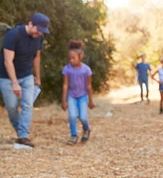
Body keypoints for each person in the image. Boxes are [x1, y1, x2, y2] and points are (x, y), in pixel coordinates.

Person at [0, 13, 50, 150]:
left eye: (42, 31)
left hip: (27, 75)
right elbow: (7, 61)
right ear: (30, 24)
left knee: (27, 105)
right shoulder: (13, 35)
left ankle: (23, 136)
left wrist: (37, 76)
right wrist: (14, 82)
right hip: (6, 77)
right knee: (11, 107)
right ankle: (20, 132)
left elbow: (37, 58)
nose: (39, 33)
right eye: (38, 29)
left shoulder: (39, 37)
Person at [61, 40, 95, 145]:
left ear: (80, 57)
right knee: (72, 116)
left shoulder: (86, 70)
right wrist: (64, 100)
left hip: (83, 96)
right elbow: (65, 85)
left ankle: (86, 129)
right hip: (71, 96)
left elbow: (89, 86)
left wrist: (90, 100)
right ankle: (74, 135)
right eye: (69, 58)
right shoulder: (67, 69)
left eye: (73, 58)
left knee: (83, 117)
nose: (71, 60)